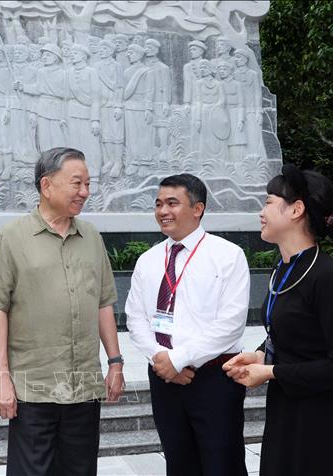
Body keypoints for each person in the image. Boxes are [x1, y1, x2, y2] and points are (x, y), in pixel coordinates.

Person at [0, 147, 124, 476]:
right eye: (77, 183)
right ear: (46, 185)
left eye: (88, 184)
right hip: (33, 389)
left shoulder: (91, 237)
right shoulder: (12, 237)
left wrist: (115, 362)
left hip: (84, 387)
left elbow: (103, 302)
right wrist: (1, 378)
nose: (84, 192)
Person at [224, 164, 333, 476]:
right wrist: (260, 355)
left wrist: (270, 371)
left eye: (268, 202)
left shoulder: (329, 277)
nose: (261, 212)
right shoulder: (283, 268)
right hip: (285, 410)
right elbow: (293, 333)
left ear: (296, 210)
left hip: (322, 421)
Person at [125, 173, 250, 476]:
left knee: (222, 464)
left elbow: (231, 324)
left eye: (172, 203)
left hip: (213, 378)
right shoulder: (149, 260)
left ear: (198, 209)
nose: (163, 211)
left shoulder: (227, 255)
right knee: (178, 463)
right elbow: (135, 317)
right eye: (158, 204)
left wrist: (180, 359)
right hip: (164, 378)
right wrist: (161, 359)